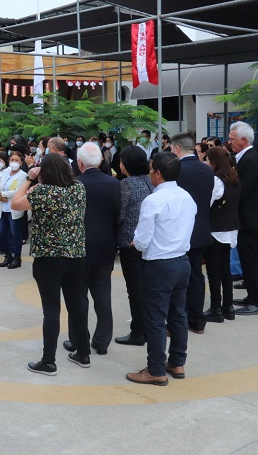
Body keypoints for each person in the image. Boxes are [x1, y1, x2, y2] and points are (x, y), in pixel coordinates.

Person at [12, 153, 90, 375]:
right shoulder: (78, 189)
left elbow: (16, 203)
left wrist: (29, 177)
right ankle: (83, 353)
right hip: (76, 255)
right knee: (77, 305)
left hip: (49, 259)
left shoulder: (43, 192)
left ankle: (48, 361)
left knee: (51, 310)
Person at [126, 152, 196, 386]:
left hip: (159, 264)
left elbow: (143, 240)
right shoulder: (187, 197)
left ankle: (155, 369)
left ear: (158, 173)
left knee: (155, 319)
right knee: (178, 314)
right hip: (182, 261)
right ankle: (177, 362)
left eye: (151, 169)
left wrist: (136, 242)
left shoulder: (154, 200)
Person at [64, 143, 120, 356]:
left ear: (79, 163)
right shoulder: (113, 184)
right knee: (103, 296)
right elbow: (117, 214)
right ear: (100, 161)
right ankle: (102, 341)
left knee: (77, 297)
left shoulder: (73, 184)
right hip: (105, 244)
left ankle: (78, 340)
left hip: (79, 246)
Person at [172, 132, 214, 334]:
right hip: (202, 228)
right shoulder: (207, 170)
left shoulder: (177, 170)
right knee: (196, 274)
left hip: (181, 231)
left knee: (178, 277)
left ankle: (178, 320)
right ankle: (197, 320)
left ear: (177, 148)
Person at [114, 146, 154, 346]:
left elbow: (120, 214)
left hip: (130, 241)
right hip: (147, 241)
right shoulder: (149, 181)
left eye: (121, 160)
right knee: (145, 286)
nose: (119, 164)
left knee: (135, 288)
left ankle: (138, 331)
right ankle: (147, 327)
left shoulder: (127, 184)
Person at [230, 121, 258, 316]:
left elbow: (242, 191)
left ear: (244, 140)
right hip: (249, 218)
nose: (229, 142)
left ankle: (257, 302)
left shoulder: (251, 159)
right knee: (248, 261)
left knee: (251, 261)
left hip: (251, 219)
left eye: (232, 139)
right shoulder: (246, 157)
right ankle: (252, 296)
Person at [203, 146, 241, 322]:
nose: (205, 163)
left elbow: (207, 203)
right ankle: (228, 307)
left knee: (213, 270)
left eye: (207, 160)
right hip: (230, 228)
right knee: (224, 269)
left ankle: (216, 309)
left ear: (214, 162)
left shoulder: (217, 180)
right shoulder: (234, 177)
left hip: (216, 228)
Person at [0, 151, 27, 269]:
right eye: (12, 160)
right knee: (2, 232)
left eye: (16, 160)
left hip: (13, 208)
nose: (14, 162)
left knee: (15, 233)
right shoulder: (6, 172)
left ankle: (17, 257)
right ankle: (8, 255)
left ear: (21, 162)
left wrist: (3, 194)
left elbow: (19, 191)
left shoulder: (23, 175)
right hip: (2, 207)